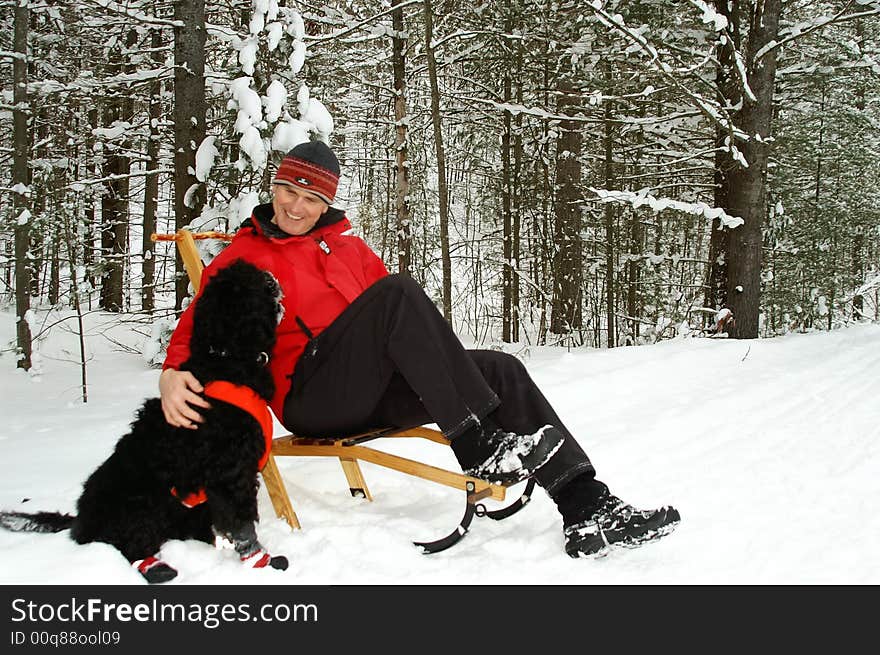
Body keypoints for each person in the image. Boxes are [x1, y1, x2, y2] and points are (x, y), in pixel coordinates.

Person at [160, 141, 680, 558]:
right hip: (309, 397)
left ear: (327, 203)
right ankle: (480, 449)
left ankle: (587, 507)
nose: (296, 206)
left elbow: (402, 330)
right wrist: (172, 372)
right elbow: (195, 324)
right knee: (398, 293)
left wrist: (451, 376)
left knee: (500, 368)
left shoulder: (346, 246)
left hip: (369, 391)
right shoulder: (244, 254)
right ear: (273, 188)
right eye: (287, 191)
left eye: (311, 198)